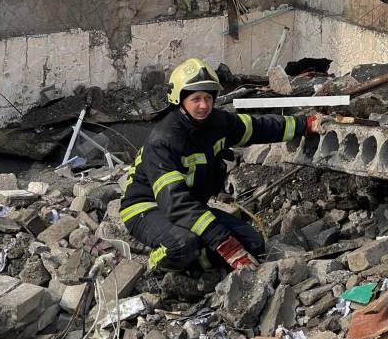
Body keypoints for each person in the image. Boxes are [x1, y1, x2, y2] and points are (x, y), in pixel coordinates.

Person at [119, 58, 325, 273]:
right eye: (196, 98)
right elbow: (175, 202)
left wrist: (305, 124)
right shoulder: (164, 140)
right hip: (146, 208)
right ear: (180, 100)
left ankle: (203, 269)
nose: (204, 105)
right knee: (183, 244)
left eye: (208, 98)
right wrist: (225, 245)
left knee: (253, 243)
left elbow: (257, 127)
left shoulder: (217, 122)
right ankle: (156, 262)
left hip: (189, 205)